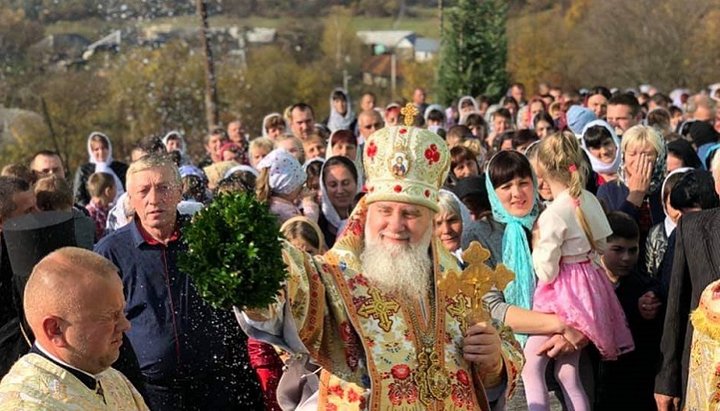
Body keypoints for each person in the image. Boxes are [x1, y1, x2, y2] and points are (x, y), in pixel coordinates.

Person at [238, 118, 523, 410]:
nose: (395, 225)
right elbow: (285, 291)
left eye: (411, 214)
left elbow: (498, 366)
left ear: (430, 222)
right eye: (385, 210)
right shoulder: (335, 278)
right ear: (366, 213)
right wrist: (251, 271)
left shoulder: (461, 285)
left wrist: (494, 362)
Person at [94, 155, 263, 410]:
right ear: (130, 198)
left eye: (163, 188)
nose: (154, 199)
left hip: (216, 386)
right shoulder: (111, 252)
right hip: (150, 393)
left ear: (179, 192)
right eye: (143, 190)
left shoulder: (205, 237)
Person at [525, 131, 634, 410]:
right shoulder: (588, 200)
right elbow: (601, 242)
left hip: (562, 293)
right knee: (568, 373)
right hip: (589, 287)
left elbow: (547, 271)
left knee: (531, 366)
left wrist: (538, 246)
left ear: (541, 171)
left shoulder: (552, 214)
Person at [0, 247, 147, 410]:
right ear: (55, 329)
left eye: (122, 311)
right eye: (110, 316)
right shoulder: (25, 405)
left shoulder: (107, 375)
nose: (125, 325)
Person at [596, 212, 663, 411]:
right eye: (617, 250)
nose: (626, 258)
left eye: (632, 251)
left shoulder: (644, 288)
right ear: (600, 246)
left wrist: (647, 305)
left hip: (633, 391)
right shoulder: (587, 285)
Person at [597, 125, 667, 255]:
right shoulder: (609, 191)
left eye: (646, 154)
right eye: (632, 154)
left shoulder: (667, 189)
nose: (638, 161)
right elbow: (613, 235)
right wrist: (636, 195)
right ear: (624, 156)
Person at [255, 148, 318, 224]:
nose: (302, 186)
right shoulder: (284, 211)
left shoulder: (275, 203)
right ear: (288, 187)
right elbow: (308, 227)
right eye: (298, 184)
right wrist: (308, 202)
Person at [73, 132, 127, 207]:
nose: (101, 152)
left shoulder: (121, 168)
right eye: (96, 149)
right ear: (91, 151)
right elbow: (79, 197)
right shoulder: (83, 170)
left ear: (109, 148)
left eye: (104, 148)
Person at [317, 156, 359, 248]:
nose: (340, 190)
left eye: (345, 183)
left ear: (357, 183)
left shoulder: (370, 218)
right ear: (324, 188)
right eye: (333, 185)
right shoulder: (317, 223)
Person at [580, 120, 621, 186]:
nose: (604, 151)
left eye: (607, 143)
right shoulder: (587, 180)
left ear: (615, 142)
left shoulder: (631, 169)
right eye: (596, 147)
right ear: (588, 151)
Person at [85, 172, 117, 242]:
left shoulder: (109, 210)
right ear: (108, 191)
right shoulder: (91, 214)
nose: (116, 191)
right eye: (115, 187)